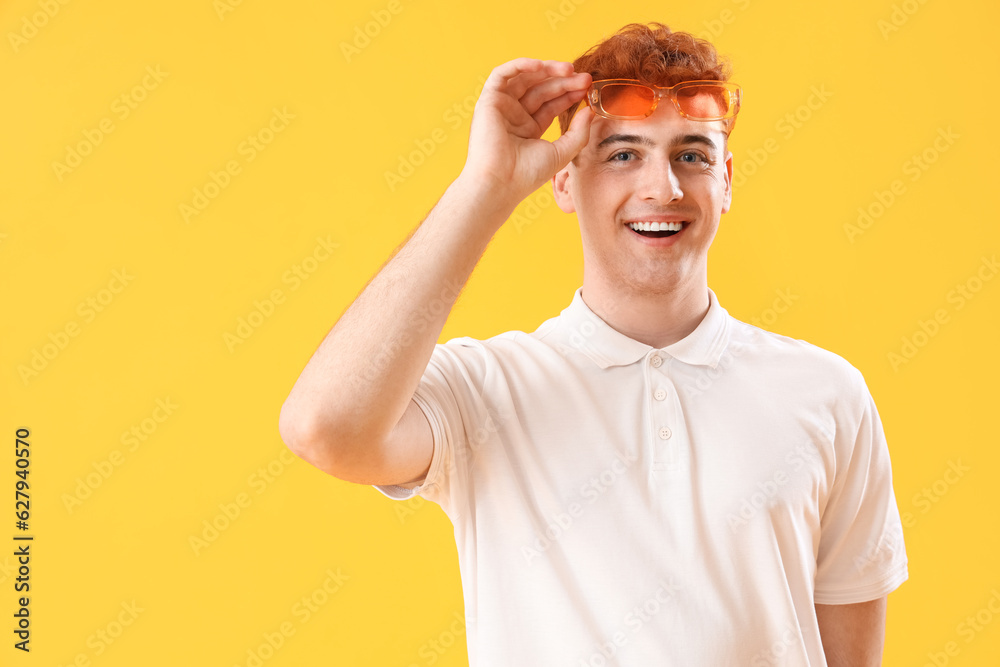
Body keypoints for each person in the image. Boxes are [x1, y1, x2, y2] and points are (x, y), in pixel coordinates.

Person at [279, 22, 908, 666]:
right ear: (561, 180)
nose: (661, 188)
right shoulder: (485, 392)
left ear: (725, 181)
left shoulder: (828, 393)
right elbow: (323, 428)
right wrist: (486, 186)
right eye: (622, 154)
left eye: (691, 154)